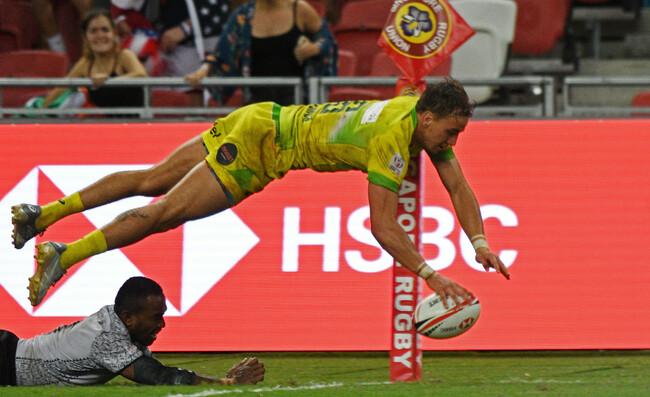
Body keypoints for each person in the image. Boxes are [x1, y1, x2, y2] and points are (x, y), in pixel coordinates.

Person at [12, 78, 510, 308]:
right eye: (451, 132)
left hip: (260, 116)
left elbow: (458, 185)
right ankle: (64, 254)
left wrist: (480, 242)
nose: (452, 142)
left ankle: (45, 213)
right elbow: (382, 227)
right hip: (262, 150)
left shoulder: (412, 107)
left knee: (151, 178)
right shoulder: (392, 141)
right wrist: (431, 275)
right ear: (428, 118)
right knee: (165, 212)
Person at [0, 276, 265, 386]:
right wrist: (227, 384)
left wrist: (218, 380)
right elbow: (158, 376)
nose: (162, 324)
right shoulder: (107, 338)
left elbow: (156, 368)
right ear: (128, 317)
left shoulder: (119, 323)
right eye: (156, 317)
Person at [184, 0, 338, 106]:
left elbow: (327, 40)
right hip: (256, 105)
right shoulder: (243, 16)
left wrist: (315, 48)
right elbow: (220, 53)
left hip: (296, 103)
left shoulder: (299, 9)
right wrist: (203, 71)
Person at [39, 8, 148, 110]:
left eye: (105, 30)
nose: (100, 35)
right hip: (104, 123)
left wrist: (108, 81)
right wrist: (41, 110)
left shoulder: (124, 55)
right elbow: (61, 89)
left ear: (114, 33)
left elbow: (142, 75)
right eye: (93, 31)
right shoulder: (86, 63)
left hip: (135, 122)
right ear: (85, 37)